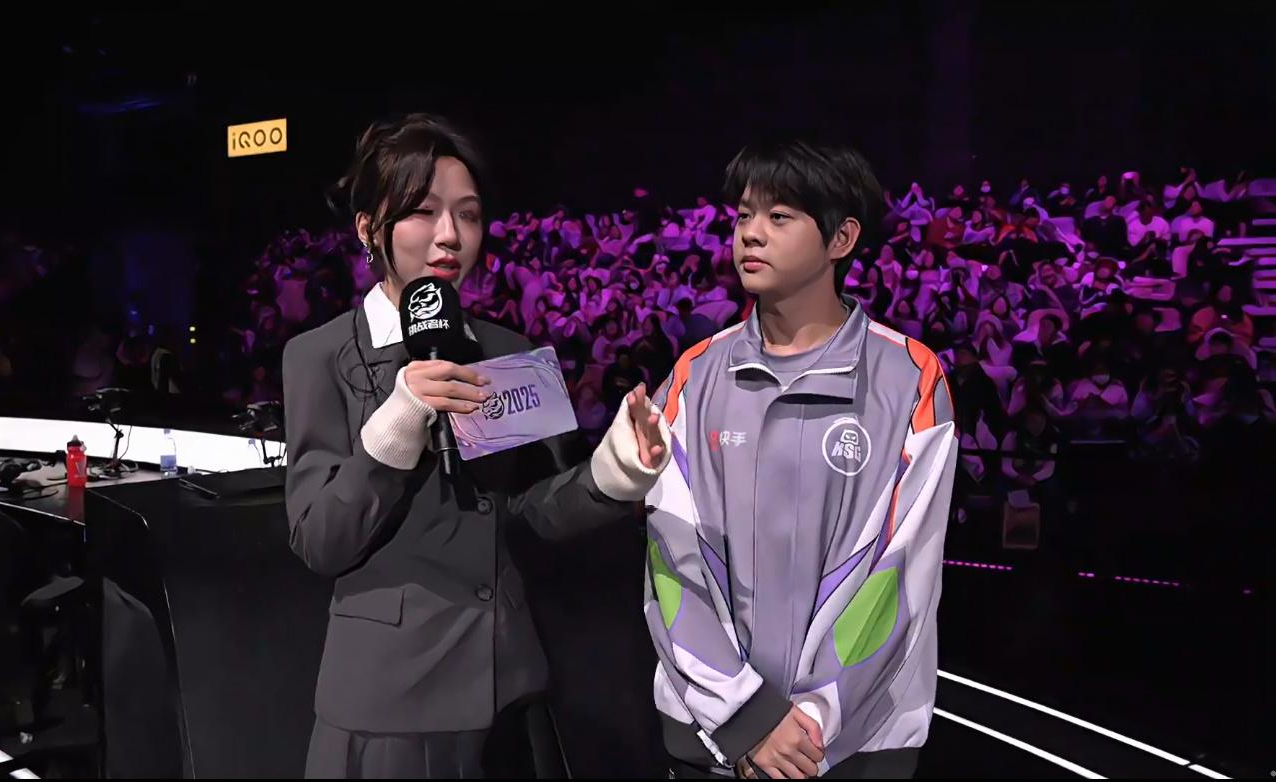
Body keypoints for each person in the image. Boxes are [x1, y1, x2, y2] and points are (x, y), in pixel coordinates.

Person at [284, 114, 671, 779]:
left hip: (507, 684)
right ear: (368, 228)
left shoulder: (508, 351)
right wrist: (396, 427)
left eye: (467, 214)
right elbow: (321, 541)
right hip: (391, 702)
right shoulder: (319, 355)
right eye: (423, 212)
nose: (450, 235)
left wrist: (614, 472)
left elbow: (534, 512)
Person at [643, 138, 957, 780]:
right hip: (710, 738)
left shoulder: (911, 378)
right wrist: (746, 718)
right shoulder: (692, 376)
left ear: (842, 238)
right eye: (743, 216)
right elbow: (670, 562)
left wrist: (810, 723)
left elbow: (902, 571)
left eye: (779, 216)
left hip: (856, 747)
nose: (750, 233)